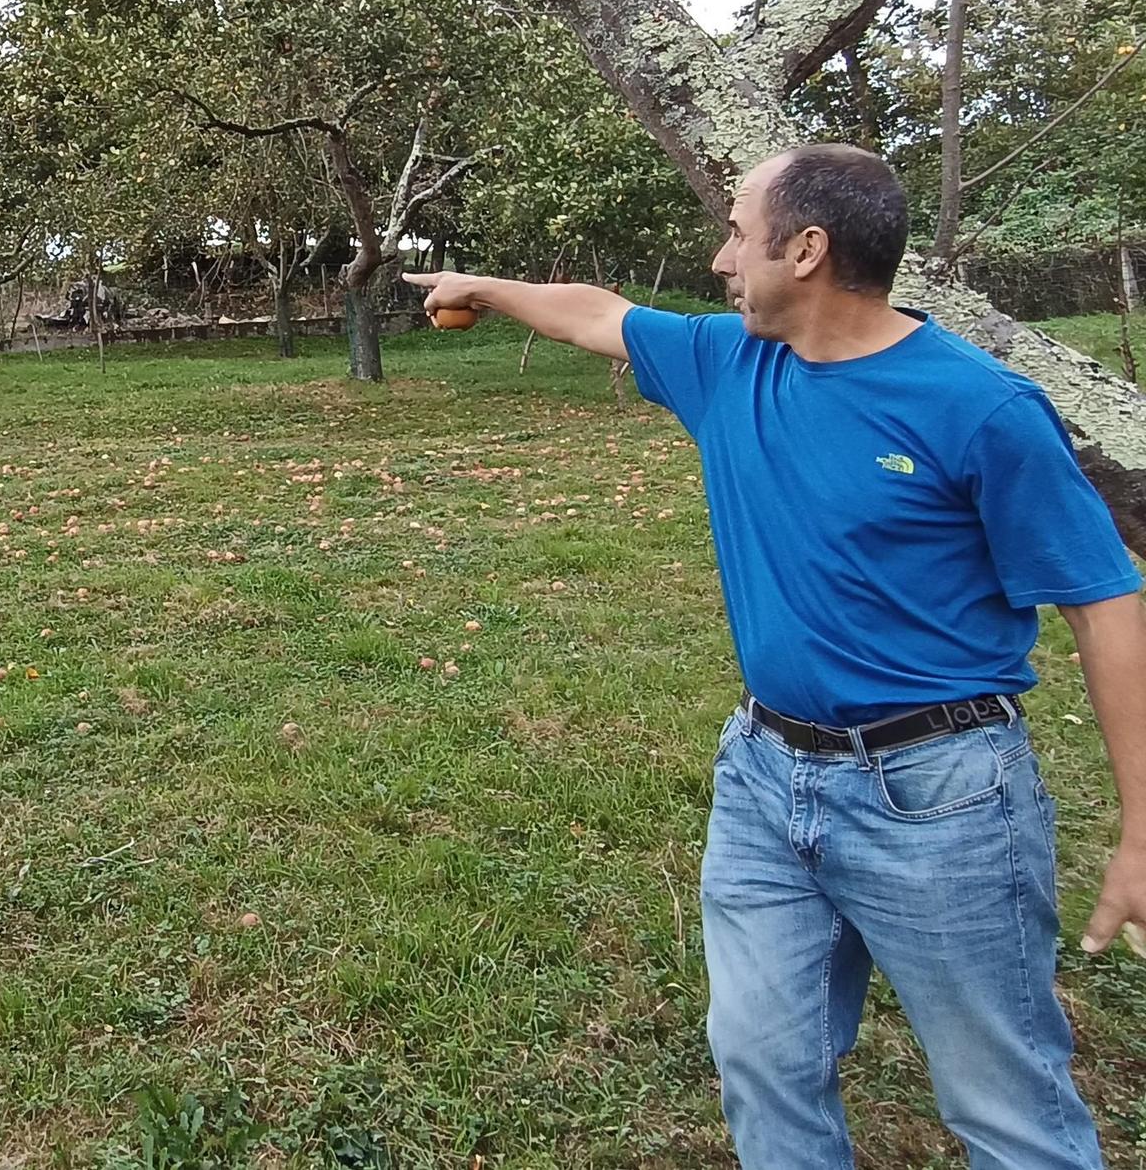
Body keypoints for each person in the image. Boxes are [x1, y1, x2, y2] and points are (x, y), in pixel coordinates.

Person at [406, 143, 1146, 1169]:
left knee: (1004, 1106)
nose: (717, 259)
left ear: (804, 249)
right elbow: (592, 312)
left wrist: (1140, 828)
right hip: (763, 776)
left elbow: (1102, 602)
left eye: (734, 233)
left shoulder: (976, 406)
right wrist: (480, 286)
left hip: (938, 798)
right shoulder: (728, 360)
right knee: (759, 1058)